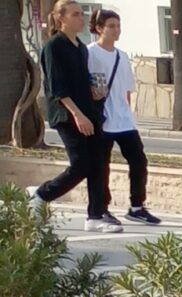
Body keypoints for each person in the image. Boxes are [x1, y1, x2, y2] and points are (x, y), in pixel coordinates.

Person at [32, 0, 115, 232]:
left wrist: (94, 92)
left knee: (99, 163)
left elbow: (81, 80)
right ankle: (42, 195)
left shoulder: (80, 47)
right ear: (62, 18)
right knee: (81, 165)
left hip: (90, 112)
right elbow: (58, 88)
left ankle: (95, 216)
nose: (82, 18)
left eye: (82, 13)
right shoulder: (53, 47)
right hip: (68, 115)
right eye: (76, 14)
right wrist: (78, 115)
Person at [86, 9, 157, 226]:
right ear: (99, 28)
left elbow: (126, 89)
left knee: (138, 160)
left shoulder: (122, 56)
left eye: (118, 26)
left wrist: (126, 111)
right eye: (111, 26)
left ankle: (137, 206)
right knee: (101, 165)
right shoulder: (89, 53)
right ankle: (101, 209)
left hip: (123, 119)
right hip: (102, 119)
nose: (117, 30)